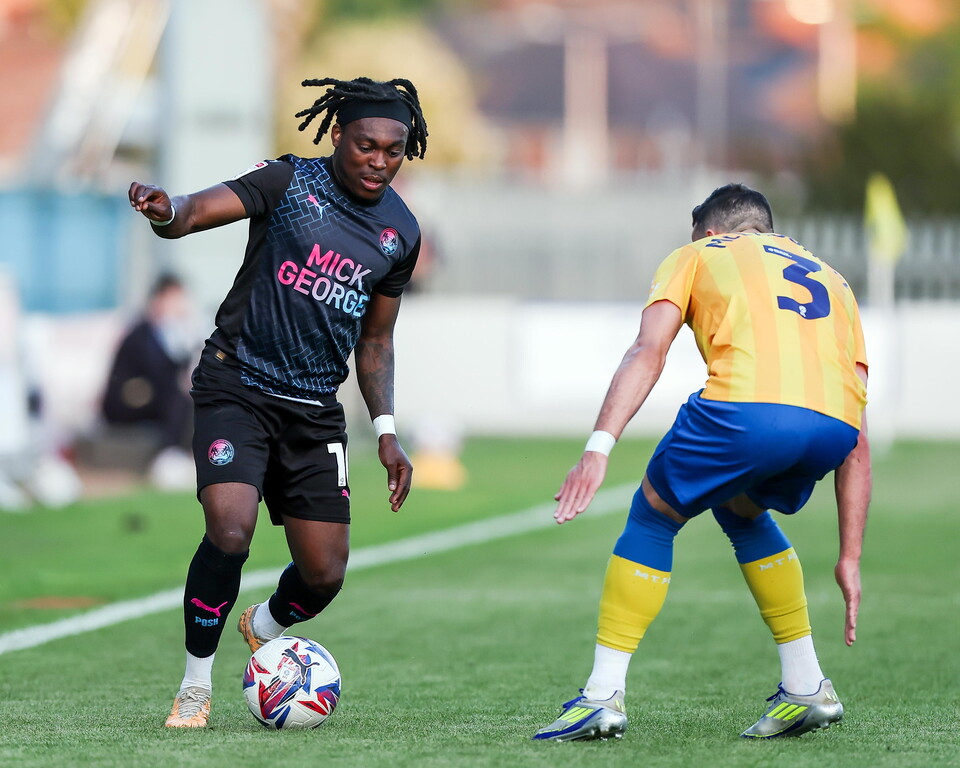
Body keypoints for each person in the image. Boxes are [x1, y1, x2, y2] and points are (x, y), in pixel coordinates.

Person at [128, 76, 428, 728]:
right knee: (229, 529)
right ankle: (195, 688)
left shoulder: (400, 232)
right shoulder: (289, 183)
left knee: (324, 575)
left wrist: (385, 429)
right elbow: (192, 214)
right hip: (236, 383)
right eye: (366, 145)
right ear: (337, 135)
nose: (379, 160)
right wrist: (163, 210)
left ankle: (262, 626)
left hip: (315, 408)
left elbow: (376, 340)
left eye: (393, 150)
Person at [533, 184, 871, 742]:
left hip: (748, 413)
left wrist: (598, 448)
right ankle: (807, 685)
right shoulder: (834, 280)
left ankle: (600, 696)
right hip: (833, 427)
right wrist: (850, 555)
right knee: (740, 509)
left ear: (712, 232)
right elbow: (858, 430)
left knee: (653, 515)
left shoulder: (697, 253)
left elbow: (649, 350)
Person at [101, 273, 195, 487]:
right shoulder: (141, 335)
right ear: (158, 300)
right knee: (176, 398)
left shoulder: (173, 333)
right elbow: (158, 376)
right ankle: (169, 457)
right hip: (125, 403)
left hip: (153, 398)